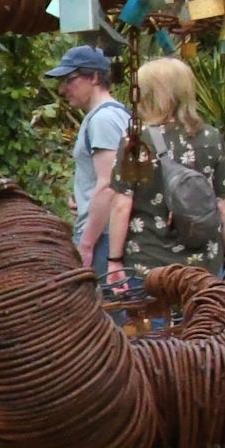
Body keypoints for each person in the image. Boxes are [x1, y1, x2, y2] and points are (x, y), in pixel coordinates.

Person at [108, 55, 225, 448]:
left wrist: (113, 260)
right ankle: (211, 445)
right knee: (207, 349)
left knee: (152, 351)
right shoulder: (211, 138)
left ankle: (158, 446)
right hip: (202, 265)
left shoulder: (137, 140)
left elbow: (122, 204)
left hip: (149, 266)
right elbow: (223, 206)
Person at [43, 43, 129, 277]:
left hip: (103, 237)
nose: (62, 90)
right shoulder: (116, 113)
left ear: (94, 78)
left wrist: (87, 244)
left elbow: (109, 184)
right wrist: (82, 200)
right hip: (105, 231)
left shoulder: (103, 119)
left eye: (69, 80)